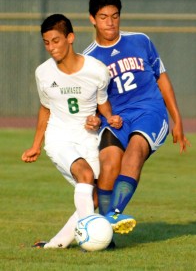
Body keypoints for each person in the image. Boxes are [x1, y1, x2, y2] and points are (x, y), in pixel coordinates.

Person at [84, 0, 191, 234]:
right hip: (116, 118)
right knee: (109, 165)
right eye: (103, 17)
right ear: (92, 19)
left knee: (134, 152)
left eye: (115, 16)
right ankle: (104, 234)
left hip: (149, 111)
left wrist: (178, 120)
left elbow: (162, 78)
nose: (110, 23)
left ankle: (112, 215)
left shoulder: (141, 41)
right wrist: (93, 120)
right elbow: (91, 102)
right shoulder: (88, 59)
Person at [21, 13, 122, 249]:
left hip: (87, 140)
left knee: (96, 195)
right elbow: (45, 109)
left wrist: (105, 119)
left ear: (70, 38)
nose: (51, 48)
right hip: (59, 139)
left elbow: (102, 103)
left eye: (56, 41)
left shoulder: (97, 70)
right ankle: (93, 237)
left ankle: (56, 243)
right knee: (85, 175)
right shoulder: (43, 73)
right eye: (46, 42)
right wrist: (36, 145)